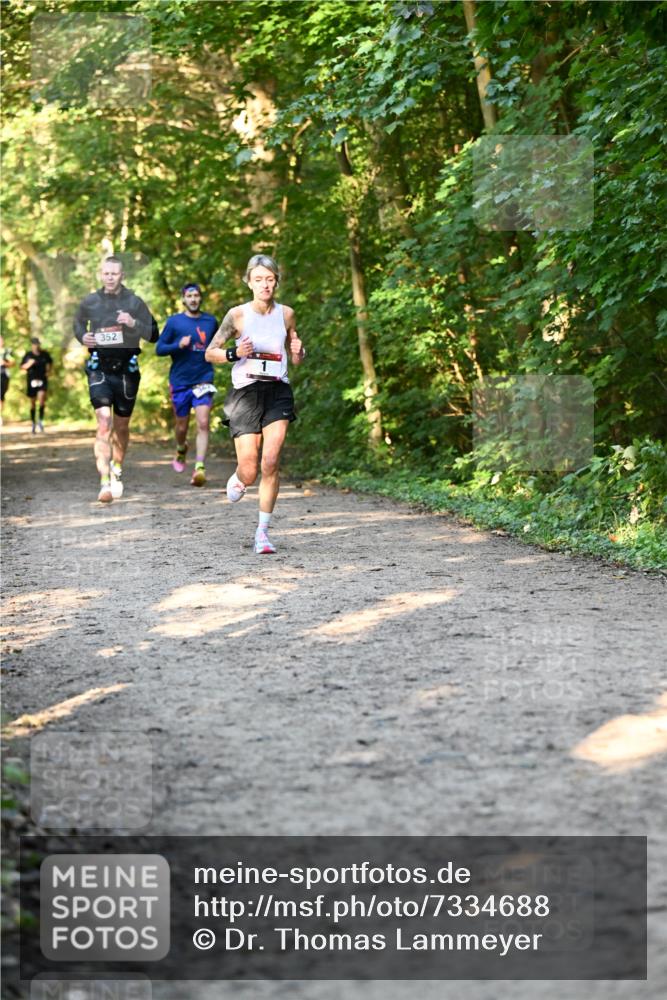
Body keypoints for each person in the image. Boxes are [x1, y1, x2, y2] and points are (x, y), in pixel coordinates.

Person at [205, 254, 305, 554]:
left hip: (277, 391)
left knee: (271, 461)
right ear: (249, 281)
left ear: (277, 281)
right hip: (245, 393)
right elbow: (210, 353)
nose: (265, 285)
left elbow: (296, 356)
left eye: (270, 279)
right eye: (259, 279)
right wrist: (235, 353)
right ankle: (239, 478)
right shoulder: (237, 315)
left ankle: (262, 533)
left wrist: (300, 352)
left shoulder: (287, 314)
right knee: (250, 470)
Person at [73, 256, 158, 503]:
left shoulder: (134, 301)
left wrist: (133, 322)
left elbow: (154, 334)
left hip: (127, 372)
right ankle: (104, 482)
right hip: (99, 369)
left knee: (121, 427)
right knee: (103, 422)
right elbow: (77, 324)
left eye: (115, 273)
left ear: (122, 275)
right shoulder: (90, 301)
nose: (110, 277)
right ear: (101, 274)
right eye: (106, 273)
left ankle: (117, 468)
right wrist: (83, 337)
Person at [156, 283, 218, 486]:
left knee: (203, 423)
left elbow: (219, 343)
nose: (193, 299)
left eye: (197, 295)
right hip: (180, 381)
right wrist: (177, 345)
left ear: (201, 298)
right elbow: (159, 349)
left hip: (203, 378)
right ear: (183, 299)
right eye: (189, 296)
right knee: (181, 426)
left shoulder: (210, 321)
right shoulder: (175, 322)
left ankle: (199, 467)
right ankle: (181, 448)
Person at [20, 337, 53, 433]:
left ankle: (41, 421)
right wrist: (29, 364)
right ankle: (33, 422)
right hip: (31, 381)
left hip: (42, 380)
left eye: (37, 344)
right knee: (33, 403)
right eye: (34, 344)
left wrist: (49, 371)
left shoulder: (44, 354)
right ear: (32, 345)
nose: (36, 345)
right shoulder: (28, 355)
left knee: (42, 399)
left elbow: (50, 363)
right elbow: (22, 367)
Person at [1, 335, 13, 424]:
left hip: (3, 375)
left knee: (1, 397)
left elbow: (12, 362)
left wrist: (4, 363)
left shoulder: (6, 352)